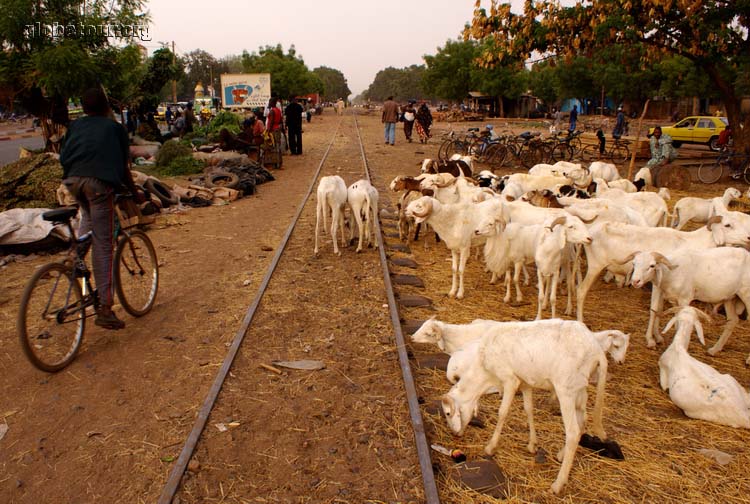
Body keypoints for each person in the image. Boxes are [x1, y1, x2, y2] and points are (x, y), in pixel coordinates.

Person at [60, 88, 142, 330]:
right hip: (99, 185)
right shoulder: (115, 128)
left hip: (72, 182)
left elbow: (65, 156)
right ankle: (105, 308)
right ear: (108, 106)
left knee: (87, 221)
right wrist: (134, 191)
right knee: (104, 245)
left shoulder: (75, 126)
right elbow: (125, 167)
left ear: (83, 108)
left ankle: (75, 258)